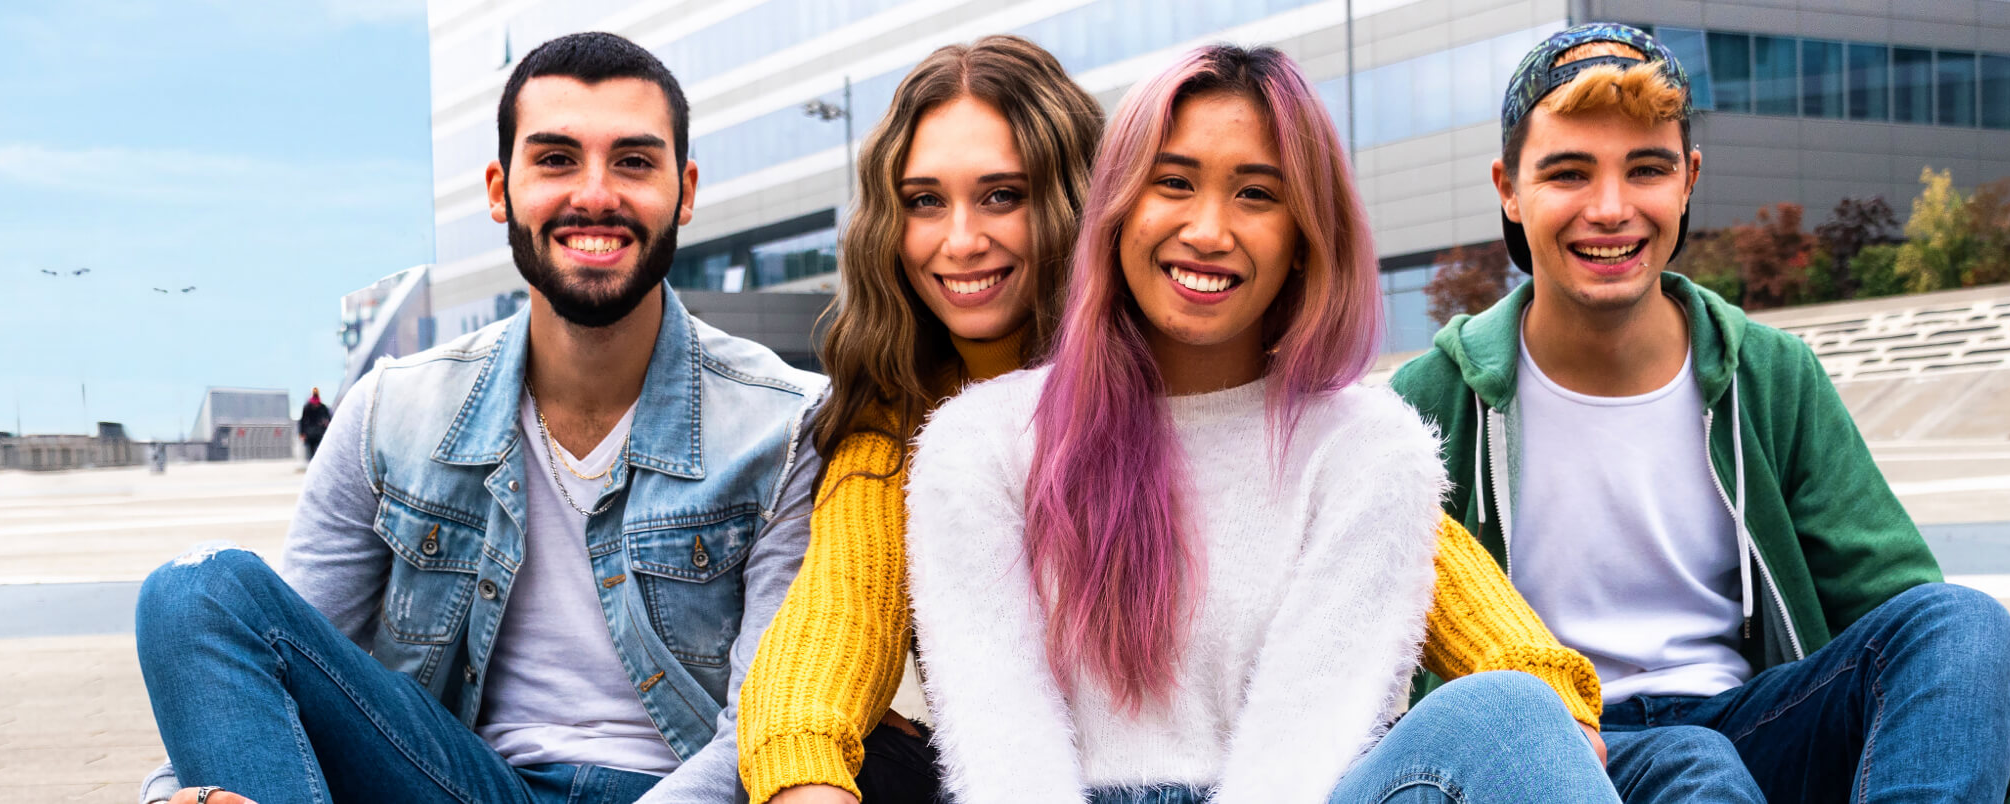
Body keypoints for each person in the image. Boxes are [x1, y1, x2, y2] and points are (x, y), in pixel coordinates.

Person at [737, 35, 1742, 804]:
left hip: (1290, 783)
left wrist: (1546, 694)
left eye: (1002, 194)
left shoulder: (1357, 442)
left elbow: (1409, 604)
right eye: (923, 200)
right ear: (1123, 209)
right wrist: (798, 762)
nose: (962, 239)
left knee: (1566, 727)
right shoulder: (939, 439)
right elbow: (842, 638)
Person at [1388, 24, 2010, 804]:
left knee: (1961, 623)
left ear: (1688, 180)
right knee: (1694, 766)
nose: (1610, 208)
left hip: (1752, 726)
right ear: (1509, 188)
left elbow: (1889, 595)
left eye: (1645, 169)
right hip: (1557, 752)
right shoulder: (1429, 403)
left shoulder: (1769, 375)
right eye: (1569, 173)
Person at [128, 32, 823, 804]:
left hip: (678, 789)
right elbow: (273, 659)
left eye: (633, 161)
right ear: (499, 189)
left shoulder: (787, 426)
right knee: (195, 591)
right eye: (556, 159)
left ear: (685, 190)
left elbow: (766, 726)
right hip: (461, 783)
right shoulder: (393, 414)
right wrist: (172, 792)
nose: (595, 194)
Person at [297, 388, 331, 464]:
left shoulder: (323, 407)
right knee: (311, 452)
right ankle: (313, 464)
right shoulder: (307, 407)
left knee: (319, 450)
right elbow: (302, 421)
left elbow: (329, 419)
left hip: (319, 433)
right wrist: (302, 433)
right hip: (310, 434)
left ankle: (318, 464)